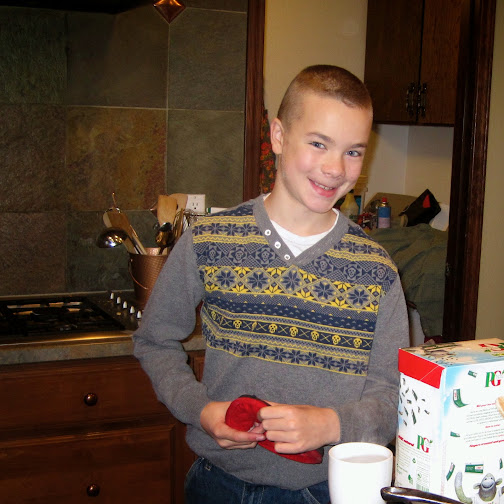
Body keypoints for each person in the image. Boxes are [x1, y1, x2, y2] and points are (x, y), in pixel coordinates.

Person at [133, 65, 409, 504]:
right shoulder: (209, 241)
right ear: (278, 136)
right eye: (318, 143)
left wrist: (330, 425)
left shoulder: (377, 270)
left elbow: (395, 397)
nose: (335, 168)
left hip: (320, 491)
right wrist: (200, 410)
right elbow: (154, 340)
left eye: (353, 151)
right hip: (215, 484)